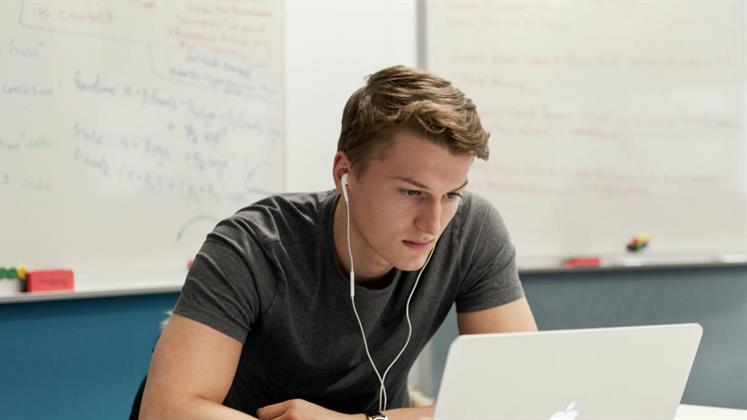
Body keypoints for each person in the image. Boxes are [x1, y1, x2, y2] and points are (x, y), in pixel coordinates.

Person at [138, 65, 537, 420]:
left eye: (452, 194)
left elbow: (520, 395)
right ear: (345, 173)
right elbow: (168, 410)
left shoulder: (472, 229)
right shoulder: (252, 245)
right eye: (411, 193)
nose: (433, 224)